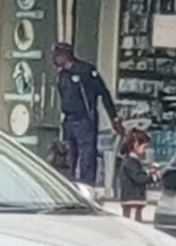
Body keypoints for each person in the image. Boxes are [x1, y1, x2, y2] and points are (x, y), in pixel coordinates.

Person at [52, 43, 123, 187]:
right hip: (68, 120)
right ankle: (67, 184)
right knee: (67, 154)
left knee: (87, 155)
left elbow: (104, 93)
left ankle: (87, 185)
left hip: (85, 119)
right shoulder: (62, 75)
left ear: (66, 55)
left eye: (58, 55)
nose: (55, 59)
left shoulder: (86, 71)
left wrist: (113, 118)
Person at [118, 128, 155, 222]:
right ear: (135, 145)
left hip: (134, 200)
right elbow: (139, 178)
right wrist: (152, 177)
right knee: (133, 224)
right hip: (132, 200)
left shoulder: (132, 163)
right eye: (144, 147)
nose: (145, 150)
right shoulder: (130, 163)